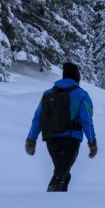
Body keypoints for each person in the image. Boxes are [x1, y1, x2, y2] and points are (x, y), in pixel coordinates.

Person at [25, 62, 98, 192]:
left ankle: (60, 207)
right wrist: (92, 142)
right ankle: (46, 206)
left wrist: (31, 139)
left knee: (63, 172)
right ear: (77, 76)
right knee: (60, 175)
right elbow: (86, 120)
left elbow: (37, 118)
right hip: (70, 139)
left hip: (51, 139)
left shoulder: (48, 94)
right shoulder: (81, 94)